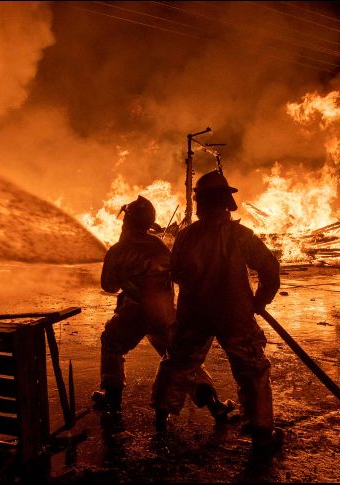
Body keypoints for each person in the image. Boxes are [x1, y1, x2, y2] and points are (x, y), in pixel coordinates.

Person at [150, 170, 284, 456]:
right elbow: (270, 270)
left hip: (194, 312)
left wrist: (198, 288)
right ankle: (261, 433)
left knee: (178, 361)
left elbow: (176, 273)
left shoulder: (186, 236)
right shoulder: (240, 235)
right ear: (226, 202)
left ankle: (161, 416)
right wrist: (259, 301)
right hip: (234, 313)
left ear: (200, 202)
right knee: (252, 369)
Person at [92, 195, 235, 423]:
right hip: (163, 313)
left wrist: (125, 275)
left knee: (111, 343)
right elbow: (176, 275)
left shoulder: (118, 250)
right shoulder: (158, 246)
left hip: (133, 312)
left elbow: (108, 286)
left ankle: (112, 397)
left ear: (127, 222)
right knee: (180, 359)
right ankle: (214, 404)